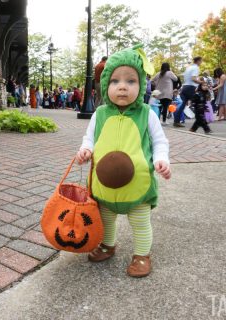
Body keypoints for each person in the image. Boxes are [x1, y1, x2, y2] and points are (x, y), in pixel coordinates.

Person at [75, 45, 171, 278]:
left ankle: (141, 255)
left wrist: (161, 159)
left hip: (137, 185)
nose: (122, 87)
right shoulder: (100, 114)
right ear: (106, 84)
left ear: (141, 86)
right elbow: (90, 138)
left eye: (131, 81)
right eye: (115, 81)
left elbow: (160, 141)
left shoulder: (146, 113)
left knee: (140, 222)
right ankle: (108, 245)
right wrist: (85, 150)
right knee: (106, 219)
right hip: (104, 185)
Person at [174, 56, 204, 127]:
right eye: (201, 61)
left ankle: (176, 121)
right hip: (190, 88)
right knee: (199, 103)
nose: (201, 62)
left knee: (182, 105)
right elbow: (193, 78)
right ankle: (200, 121)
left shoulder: (189, 68)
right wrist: (201, 82)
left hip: (184, 87)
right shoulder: (196, 68)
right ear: (198, 61)